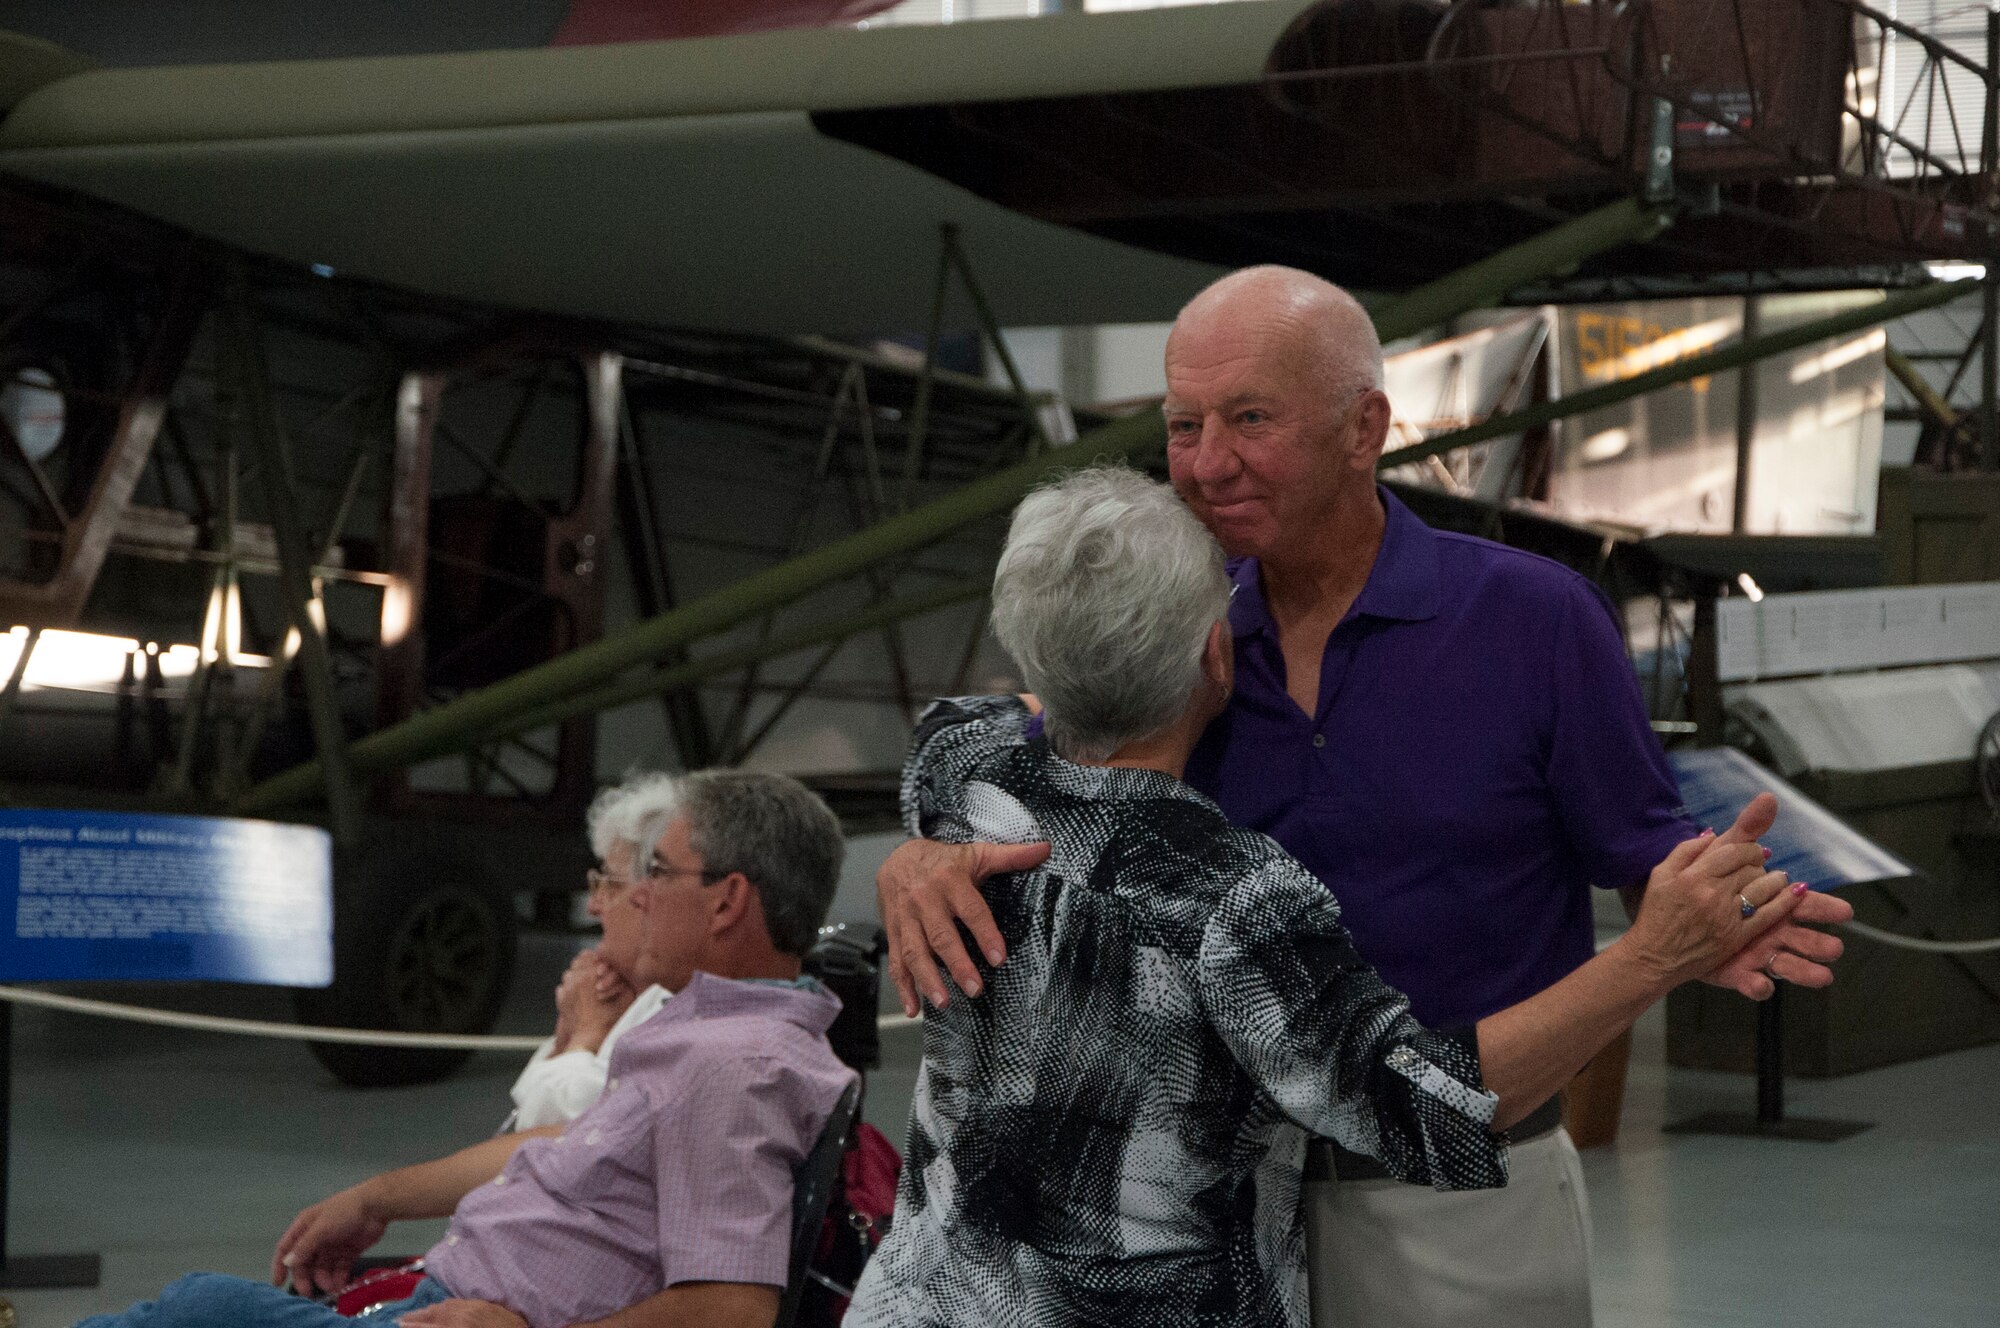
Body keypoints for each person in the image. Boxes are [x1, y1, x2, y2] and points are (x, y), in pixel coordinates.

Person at [873, 269, 1856, 1328]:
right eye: (1182, 424)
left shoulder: (1533, 620)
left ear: (1364, 427)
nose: (1207, 464)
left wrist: (1718, 911)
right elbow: (1026, 746)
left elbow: (1642, 841)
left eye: (1250, 417)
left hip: (1461, 1194)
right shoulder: (1170, 631)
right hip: (1237, 1214)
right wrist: (916, 853)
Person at [76, 770, 856, 1328]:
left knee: (194, 1306)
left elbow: (731, 1307)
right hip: (442, 1292)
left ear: (728, 900)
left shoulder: (728, 1067)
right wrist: (378, 1196)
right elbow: (573, 1140)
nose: (635, 895)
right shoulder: (715, 1033)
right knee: (198, 1302)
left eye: (656, 872)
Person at [507, 772, 678, 1130]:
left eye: (610, 885)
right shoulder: (619, 995)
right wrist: (567, 1033)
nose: (593, 907)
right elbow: (521, 1112)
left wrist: (586, 1032)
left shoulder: (672, 1008)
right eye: (594, 884)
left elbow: (551, 1139)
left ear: (655, 894)